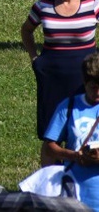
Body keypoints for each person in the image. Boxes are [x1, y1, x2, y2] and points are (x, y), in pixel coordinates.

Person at [22, 0, 99, 165]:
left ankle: (82, 170)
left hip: (85, 75)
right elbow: (26, 30)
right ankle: (49, 181)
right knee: (52, 132)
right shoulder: (43, 5)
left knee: (83, 125)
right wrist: (34, 58)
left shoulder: (93, 4)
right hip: (52, 74)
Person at [42, 52, 99, 209]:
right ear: (84, 82)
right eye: (94, 87)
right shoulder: (68, 106)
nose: (98, 93)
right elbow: (49, 146)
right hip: (75, 192)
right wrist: (74, 156)